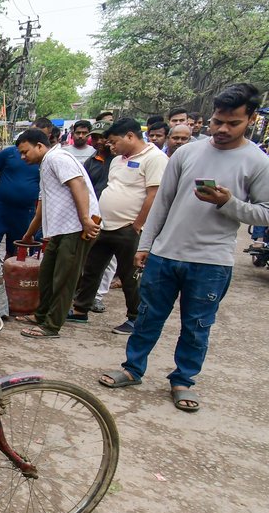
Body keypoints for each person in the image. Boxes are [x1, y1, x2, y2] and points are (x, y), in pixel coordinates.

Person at [99, 83, 269, 412]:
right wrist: (146, 244)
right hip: (165, 254)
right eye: (217, 120)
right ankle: (132, 369)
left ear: (250, 119)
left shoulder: (257, 162)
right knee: (148, 316)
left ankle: (183, 380)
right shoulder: (188, 153)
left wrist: (229, 203)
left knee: (197, 325)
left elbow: (265, 211)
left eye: (232, 123)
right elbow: (163, 202)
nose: (221, 129)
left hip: (212, 261)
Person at [70, 118, 167, 334]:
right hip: (105, 224)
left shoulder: (155, 158)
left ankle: (135, 318)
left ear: (130, 136)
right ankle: (80, 310)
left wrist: (138, 225)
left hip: (129, 228)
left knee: (129, 275)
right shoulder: (117, 160)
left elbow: (154, 195)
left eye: (114, 142)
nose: (110, 146)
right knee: (91, 268)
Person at [13, 129, 100, 338]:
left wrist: (86, 220)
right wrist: (29, 234)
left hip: (76, 228)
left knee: (64, 279)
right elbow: (42, 206)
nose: (23, 157)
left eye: (26, 152)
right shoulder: (46, 165)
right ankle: (41, 315)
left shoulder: (57, 158)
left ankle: (51, 326)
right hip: (61, 229)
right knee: (47, 274)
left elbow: (77, 183)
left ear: (40, 146)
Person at [0, 117, 51, 257]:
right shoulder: (8, 153)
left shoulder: (46, 161)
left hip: (25, 211)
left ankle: (8, 276)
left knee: (16, 250)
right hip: (0, 208)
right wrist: (4, 192)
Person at [83, 121, 116, 314]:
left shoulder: (120, 160)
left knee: (109, 259)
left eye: (102, 137)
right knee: (89, 255)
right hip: (93, 214)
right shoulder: (92, 161)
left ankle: (98, 296)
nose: (99, 141)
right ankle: (84, 294)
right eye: (95, 137)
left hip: (114, 216)